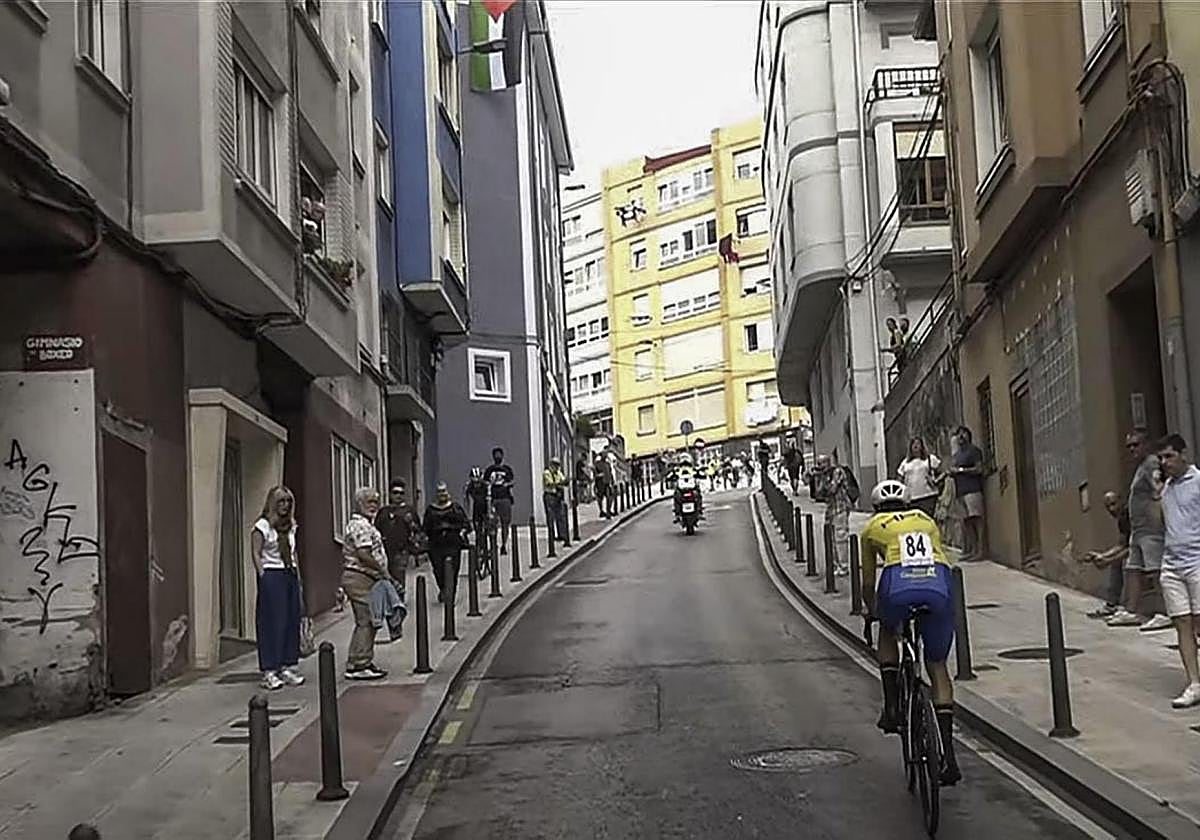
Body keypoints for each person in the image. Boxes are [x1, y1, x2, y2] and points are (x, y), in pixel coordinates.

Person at [860, 479, 960, 785]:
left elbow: (867, 583)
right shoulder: (926, 520)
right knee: (938, 666)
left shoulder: (872, 527)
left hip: (897, 586)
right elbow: (937, 554)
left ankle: (891, 707)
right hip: (939, 585)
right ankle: (949, 758)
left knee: (888, 631)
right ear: (907, 504)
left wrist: (871, 612)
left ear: (877, 507)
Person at [1108, 431, 1172, 631]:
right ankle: (1131, 610)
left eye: (1136, 445)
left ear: (1146, 444)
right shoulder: (1141, 467)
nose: (1132, 449)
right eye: (1129, 446)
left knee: (1155, 571)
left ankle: (1164, 612)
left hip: (1150, 530)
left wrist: (1158, 518)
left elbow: (1158, 490)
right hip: (1138, 530)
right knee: (1133, 569)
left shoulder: (1152, 464)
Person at [1153, 435, 1200, 708]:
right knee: (1181, 622)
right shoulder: (1166, 488)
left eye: (1169, 456)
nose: (1164, 462)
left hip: (1197, 559)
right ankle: (1194, 683)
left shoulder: (1197, 481)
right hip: (1172, 563)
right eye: (1161, 458)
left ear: (1183, 454)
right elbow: (1162, 523)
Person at [250, 486, 304, 691]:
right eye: (281, 501)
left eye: (288, 502)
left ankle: (288, 664)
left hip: (288, 572)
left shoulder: (290, 526)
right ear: (273, 503)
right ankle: (270, 669)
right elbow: (256, 552)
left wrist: (298, 577)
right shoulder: (262, 526)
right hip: (272, 574)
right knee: (274, 621)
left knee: (291, 619)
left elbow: (293, 551)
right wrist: (262, 575)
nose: (285, 506)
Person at [342, 487, 391, 680]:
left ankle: (360, 660)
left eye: (376, 502)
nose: (374, 506)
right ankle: (359, 664)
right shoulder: (360, 526)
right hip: (359, 576)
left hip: (365, 577)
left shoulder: (366, 524)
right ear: (359, 503)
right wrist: (383, 571)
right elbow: (364, 554)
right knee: (367, 620)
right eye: (369, 502)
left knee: (367, 620)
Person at [1083, 491, 1129, 619]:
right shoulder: (1122, 520)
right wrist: (1103, 556)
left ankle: (1129, 608)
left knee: (1127, 564)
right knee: (1116, 563)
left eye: (1114, 504)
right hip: (1135, 549)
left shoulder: (1129, 515)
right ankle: (1111, 605)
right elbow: (1122, 545)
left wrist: (1108, 560)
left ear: (1121, 501)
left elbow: (1132, 548)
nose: (1111, 509)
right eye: (1108, 506)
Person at [423, 482, 470, 603]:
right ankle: (443, 588)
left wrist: (462, 532)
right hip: (436, 544)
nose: (442, 494)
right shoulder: (431, 510)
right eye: (439, 492)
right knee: (438, 570)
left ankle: (451, 594)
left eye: (443, 491)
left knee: (453, 570)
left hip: (452, 543)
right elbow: (425, 528)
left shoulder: (455, 508)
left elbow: (466, 524)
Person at [375, 478, 423, 594]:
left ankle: (399, 600)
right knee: (385, 576)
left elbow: (418, 530)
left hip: (401, 550)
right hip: (384, 550)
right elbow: (376, 528)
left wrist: (411, 524)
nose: (398, 496)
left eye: (401, 493)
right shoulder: (384, 511)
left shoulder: (409, 511)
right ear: (390, 494)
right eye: (395, 493)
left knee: (399, 574)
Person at [815, 453, 857, 576]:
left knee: (840, 537)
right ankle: (836, 564)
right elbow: (818, 494)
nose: (820, 466)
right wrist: (819, 478)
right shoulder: (824, 476)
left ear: (828, 462)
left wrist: (823, 479)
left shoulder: (837, 472)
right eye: (818, 464)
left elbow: (832, 489)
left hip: (841, 508)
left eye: (821, 463)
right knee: (831, 539)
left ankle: (844, 566)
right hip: (830, 510)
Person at [950, 427, 986, 561]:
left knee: (976, 519)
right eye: (958, 434)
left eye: (963, 434)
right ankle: (972, 549)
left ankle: (981, 550)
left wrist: (961, 470)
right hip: (960, 491)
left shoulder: (974, 451)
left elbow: (979, 469)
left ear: (968, 436)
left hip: (973, 489)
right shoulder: (958, 455)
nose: (961, 437)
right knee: (966, 522)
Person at [897, 437, 942, 519]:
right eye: (913, 444)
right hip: (912, 498)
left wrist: (935, 481)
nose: (916, 446)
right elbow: (900, 479)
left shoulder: (930, 459)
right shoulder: (905, 462)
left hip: (928, 496)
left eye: (918, 443)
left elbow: (941, 472)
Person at [483, 447, 515, 554]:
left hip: (505, 498)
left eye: (499, 455)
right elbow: (485, 482)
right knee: (493, 523)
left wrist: (507, 484)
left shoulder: (507, 469)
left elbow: (512, 482)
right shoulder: (489, 470)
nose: (498, 457)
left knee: (505, 523)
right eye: (496, 455)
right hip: (493, 499)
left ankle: (504, 545)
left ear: (502, 456)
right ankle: (493, 544)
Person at [464, 466, 493, 568]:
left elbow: (489, 499)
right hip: (476, 509)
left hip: (485, 508)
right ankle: (479, 546)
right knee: (477, 532)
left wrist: (489, 514)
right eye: (474, 482)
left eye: (478, 482)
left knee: (487, 529)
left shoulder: (486, 485)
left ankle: (490, 546)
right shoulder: (469, 486)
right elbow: (466, 500)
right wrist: (467, 516)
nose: (476, 484)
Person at [543, 457, 570, 543]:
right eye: (555, 464)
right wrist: (560, 484)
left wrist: (566, 481)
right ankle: (552, 535)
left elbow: (563, 480)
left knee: (560, 515)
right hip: (550, 495)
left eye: (558, 465)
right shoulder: (547, 473)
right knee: (550, 516)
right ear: (551, 464)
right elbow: (549, 484)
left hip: (558, 496)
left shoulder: (559, 473)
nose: (557, 466)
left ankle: (561, 535)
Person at [672, 452, 703, 521]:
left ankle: (699, 510)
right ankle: (677, 513)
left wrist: (701, 474)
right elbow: (671, 475)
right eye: (683, 462)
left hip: (692, 487)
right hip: (681, 488)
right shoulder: (677, 470)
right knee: (676, 496)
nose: (684, 464)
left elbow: (700, 473)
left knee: (698, 494)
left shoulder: (693, 469)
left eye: (686, 462)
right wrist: (670, 477)